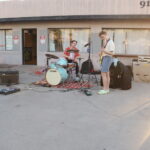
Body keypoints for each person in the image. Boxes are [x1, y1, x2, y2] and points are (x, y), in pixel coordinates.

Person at [98, 31, 115, 95]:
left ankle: (105, 89)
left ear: (106, 35)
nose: (102, 38)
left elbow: (112, 53)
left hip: (107, 58)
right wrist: (101, 53)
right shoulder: (106, 41)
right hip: (105, 58)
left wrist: (104, 51)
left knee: (103, 73)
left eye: (102, 37)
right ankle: (107, 89)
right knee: (107, 74)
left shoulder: (111, 42)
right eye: (101, 38)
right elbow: (105, 51)